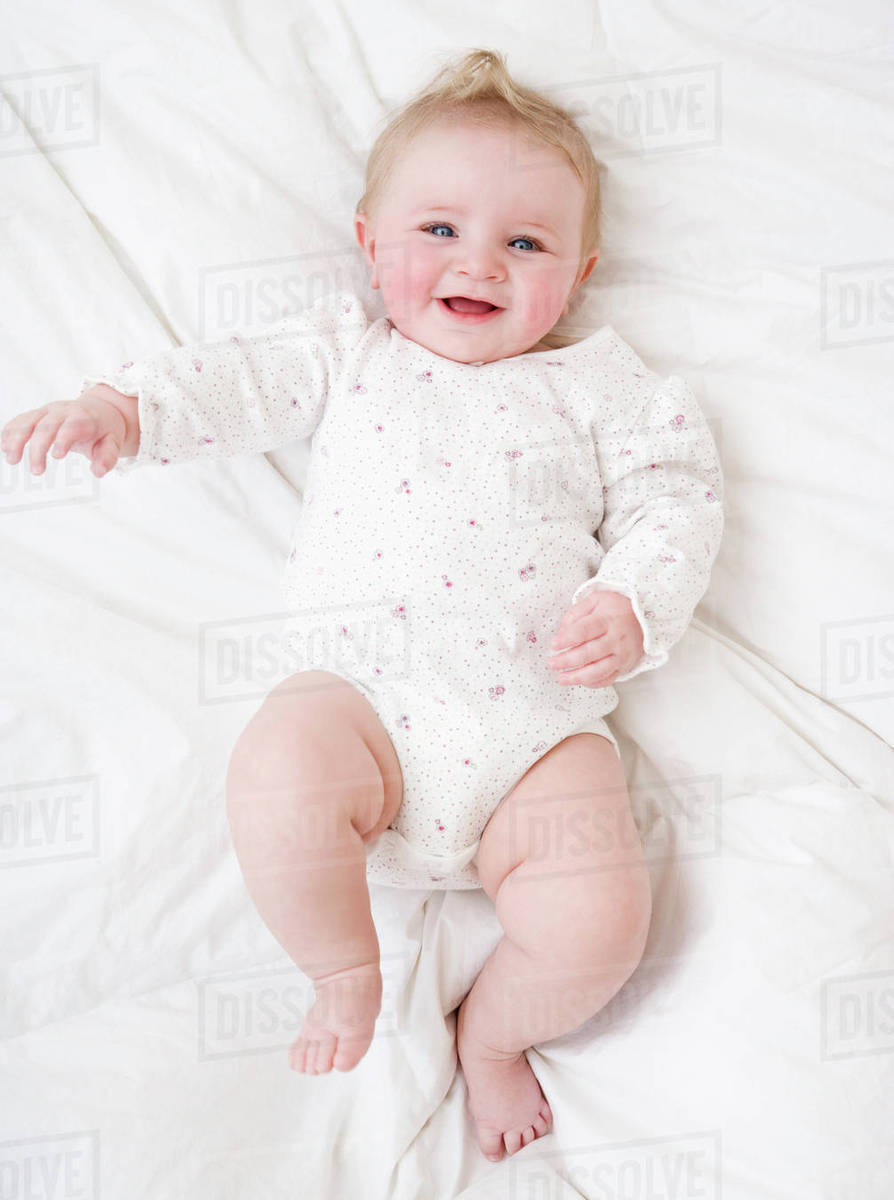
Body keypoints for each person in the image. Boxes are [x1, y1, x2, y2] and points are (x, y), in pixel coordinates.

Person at [0, 48, 723, 1163]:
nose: (478, 262)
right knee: (276, 770)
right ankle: (342, 967)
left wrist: (633, 600)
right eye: (439, 229)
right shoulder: (349, 355)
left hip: (535, 740)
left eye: (524, 244)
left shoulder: (603, 387)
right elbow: (234, 380)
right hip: (363, 710)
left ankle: (493, 1035)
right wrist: (124, 411)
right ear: (369, 244)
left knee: (600, 923)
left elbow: (677, 501)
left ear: (580, 271)